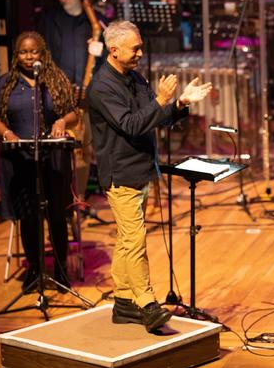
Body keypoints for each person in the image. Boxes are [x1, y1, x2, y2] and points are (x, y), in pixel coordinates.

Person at [87, 20, 212, 332]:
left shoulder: (133, 78)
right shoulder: (102, 87)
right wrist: (160, 100)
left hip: (141, 169)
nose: (141, 53)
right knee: (135, 240)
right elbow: (130, 124)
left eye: (140, 46)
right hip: (121, 174)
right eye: (135, 48)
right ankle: (146, 303)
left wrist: (180, 104)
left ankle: (124, 301)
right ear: (113, 51)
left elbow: (151, 118)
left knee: (127, 240)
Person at [0, 31, 79, 292]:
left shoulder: (54, 79)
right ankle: (35, 269)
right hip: (21, 158)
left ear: (43, 53)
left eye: (34, 51)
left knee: (56, 214)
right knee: (28, 215)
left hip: (53, 158)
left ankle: (60, 268)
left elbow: (73, 112)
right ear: (17, 55)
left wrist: (62, 121)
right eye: (23, 52)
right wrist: (8, 133)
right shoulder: (5, 83)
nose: (29, 57)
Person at [37, 0, 106, 198]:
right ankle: (57, 200)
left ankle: (78, 201)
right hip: (57, 93)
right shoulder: (49, 19)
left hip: (85, 95)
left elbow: (107, 60)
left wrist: (100, 50)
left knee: (82, 150)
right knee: (56, 150)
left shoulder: (94, 21)